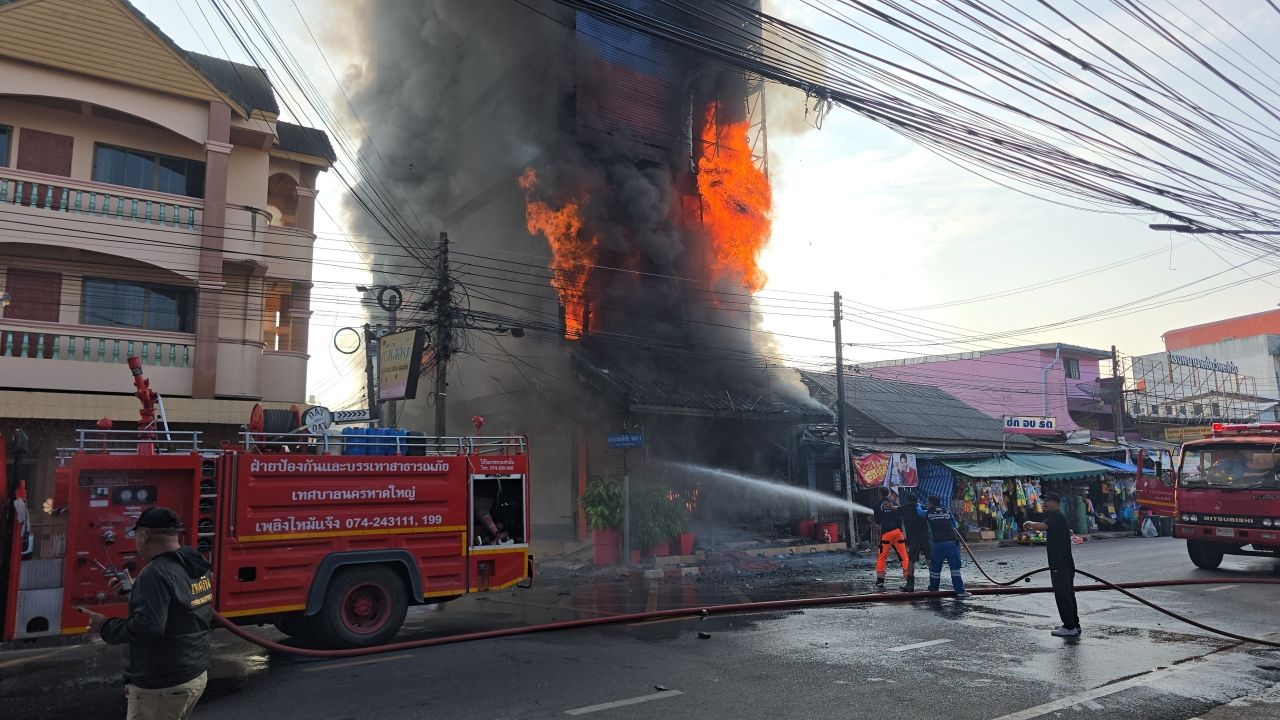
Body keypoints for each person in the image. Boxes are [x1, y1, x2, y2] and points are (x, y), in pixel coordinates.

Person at [81, 508, 214, 720]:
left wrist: (104, 625)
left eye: (137, 536)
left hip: (162, 684)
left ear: (145, 535)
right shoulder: (194, 564)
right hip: (193, 674)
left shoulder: (155, 572)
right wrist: (136, 594)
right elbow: (180, 608)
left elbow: (148, 627)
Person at [1023, 491, 1080, 637]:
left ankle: (1069, 626)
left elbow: (1042, 526)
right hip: (1064, 563)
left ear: (1055, 502)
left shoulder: (1056, 517)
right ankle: (1073, 624)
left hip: (1060, 564)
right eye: (1044, 501)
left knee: (1063, 595)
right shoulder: (1056, 518)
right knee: (1068, 594)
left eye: (1047, 501)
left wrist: (1029, 523)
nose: (1044, 503)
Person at [916, 495, 969, 599]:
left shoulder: (928, 512)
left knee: (935, 568)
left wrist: (917, 505)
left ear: (930, 503)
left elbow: (919, 512)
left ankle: (933, 589)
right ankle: (960, 591)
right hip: (952, 543)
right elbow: (955, 526)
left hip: (938, 544)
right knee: (955, 569)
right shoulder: (947, 511)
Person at [872, 487, 910, 590]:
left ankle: (880, 581)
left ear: (879, 493)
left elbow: (878, 521)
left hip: (886, 534)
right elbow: (900, 517)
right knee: (903, 556)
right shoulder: (895, 505)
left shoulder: (877, 506)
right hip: (898, 533)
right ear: (888, 493)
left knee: (882, 556)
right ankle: (908, 579)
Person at [899, 490, 931, 592]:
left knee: (911, 561)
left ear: (907, 501)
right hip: (925, 537)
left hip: (914, 539)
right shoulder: (923, 508)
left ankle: (910, 585)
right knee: (929, 559)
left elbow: (895, 509)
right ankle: (934, 582)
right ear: (916, 500)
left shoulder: (904, 509)